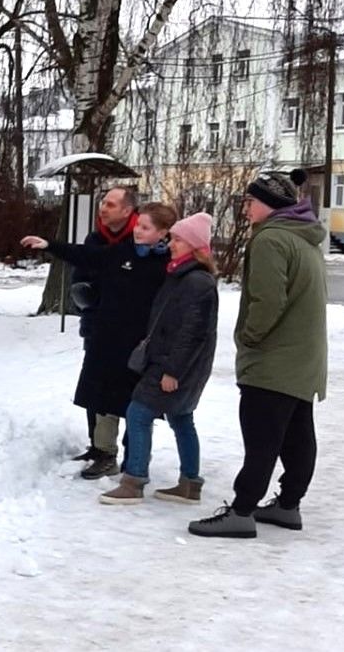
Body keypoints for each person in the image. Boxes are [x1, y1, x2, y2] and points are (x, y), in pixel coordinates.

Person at [189, 169, 326, 539]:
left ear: (270, 204)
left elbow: (268, 302)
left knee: (262, 435)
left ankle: (242, 509)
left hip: (274, 360)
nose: (245, 208)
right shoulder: (305, 240)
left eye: (251, 201)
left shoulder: (270, 240)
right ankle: (288, 505)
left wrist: (250, 338)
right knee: (297, 433)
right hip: (304, 359)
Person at [21, 201, 177, 479]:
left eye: (145, 227)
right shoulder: (123, 251)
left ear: (163, 233)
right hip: (108, 338)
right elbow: (87, 256)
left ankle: (136, 462)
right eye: (138, 225)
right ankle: (105, 453)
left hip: (142, 346)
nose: (138, 231)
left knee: (137, 405)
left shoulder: (168, 265)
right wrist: (49, 245)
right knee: (104, 398)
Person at [100, 212, 218, 506]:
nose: (172, 243)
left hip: (172, 366)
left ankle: (134, 481)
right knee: (181, 418)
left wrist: (172, 371)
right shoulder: (180, 274)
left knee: (138, 413)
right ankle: (190, 484)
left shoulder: (196, 283)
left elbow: (192, 333)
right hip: (174, 364)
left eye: (178, 239)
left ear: (193, 245)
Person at [69, 188, 139, 465]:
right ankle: (100, 448)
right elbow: (80, 276)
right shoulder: (95, 239)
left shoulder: (142, 239)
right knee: (96, 387)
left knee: (131, 393)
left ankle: (134, 452)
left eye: (110, 204)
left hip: (134, 332)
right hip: (98, 325)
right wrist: (85, 298)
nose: (102, 208)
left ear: (127, 210)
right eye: (101, 203)